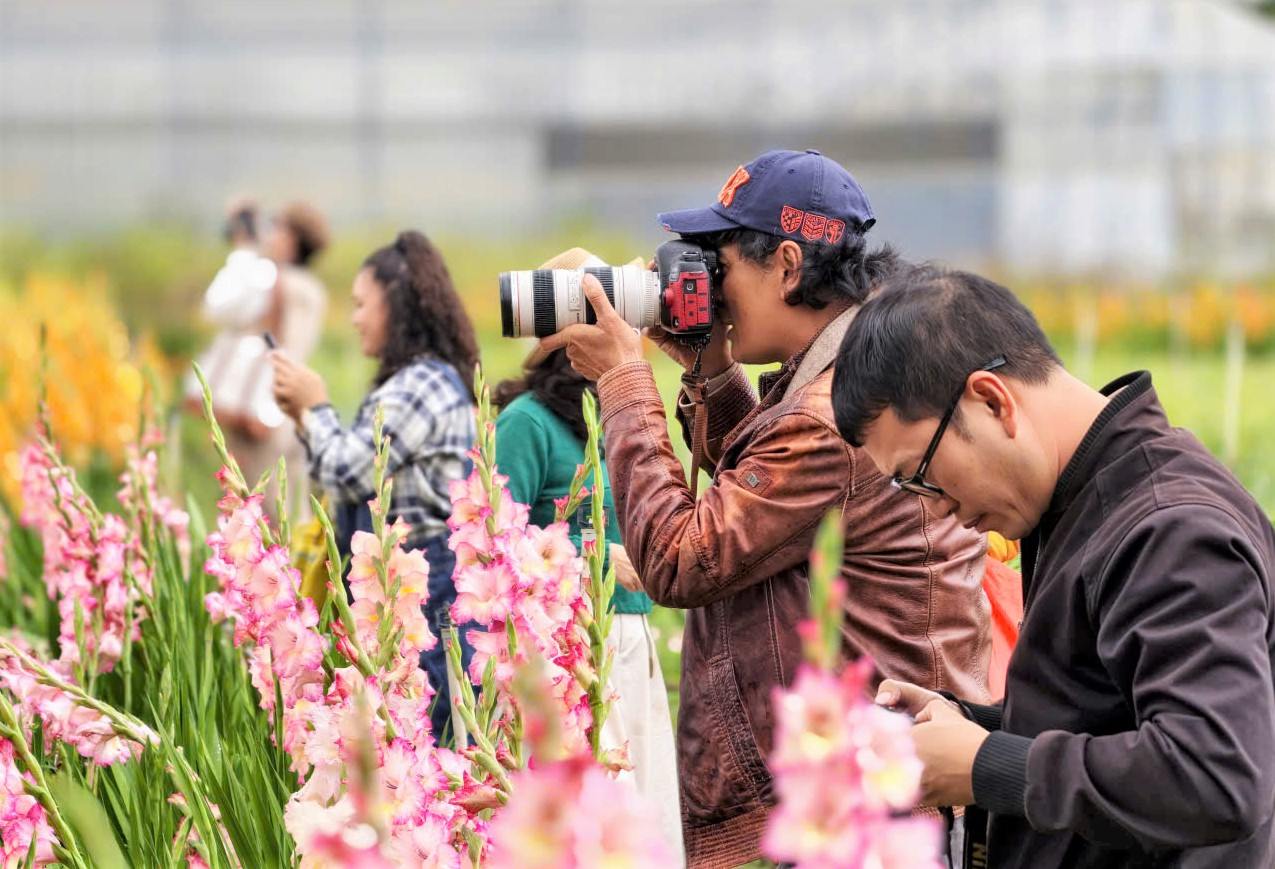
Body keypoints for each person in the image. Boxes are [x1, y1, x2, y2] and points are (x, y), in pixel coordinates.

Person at [534, 150, 991, 867]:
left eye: (718, 265)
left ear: (784, 264)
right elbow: (762, 498)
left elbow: (681, 560)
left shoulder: (830, 412)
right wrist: (707, 367)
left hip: (868, 814)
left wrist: (624, 381)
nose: (707, 287)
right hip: (866, 789)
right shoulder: (852, 371)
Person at [831, 264, 1275, 867]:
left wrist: (986, 766)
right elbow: (1107, 716)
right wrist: (971, 726)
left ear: (992, 400)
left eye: (921, 476)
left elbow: (1215, 775)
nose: (936, 512)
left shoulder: (1168, 529)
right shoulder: (1084, 501)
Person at [493, 247, 684, 862]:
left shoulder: (616, 414)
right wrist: (592, 553)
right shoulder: (525, 423)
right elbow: (500, 544)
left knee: (638, 813)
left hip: (628, 634)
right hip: (563, 650)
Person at [269, 230, 480, 743]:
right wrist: (305, 416)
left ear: (398, 305)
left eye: (363, 304)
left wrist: (316, 406)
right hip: (405, 587)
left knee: (423, 740)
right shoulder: (412, 382)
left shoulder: (420, 385)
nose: (355, 317)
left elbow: (345, 471)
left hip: (423, 593)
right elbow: (354, 472)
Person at [188, 198, 330, 523]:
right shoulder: (303, 287)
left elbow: (217, 306)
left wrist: (243, 250)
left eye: (276, 227)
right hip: (279, 407)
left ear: (292, 239)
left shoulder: (280, 285)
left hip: (264, 412)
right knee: (275, 508)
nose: (269, 234)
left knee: (265, 510)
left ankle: (289, 572)